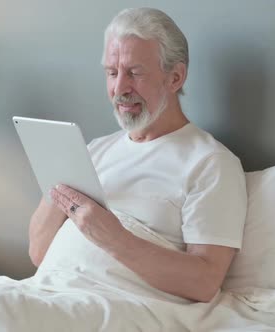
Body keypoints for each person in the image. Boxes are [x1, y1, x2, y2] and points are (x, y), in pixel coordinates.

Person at [28, 7, 247, 303]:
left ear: (175, 77)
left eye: (134, 73)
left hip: (116, 305)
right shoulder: (94, 151)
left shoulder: (210, 163)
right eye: (112, 72)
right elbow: (39, 253)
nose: (119, 88)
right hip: (50, 292)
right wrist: (57, 180)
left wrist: (112, 237)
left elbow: (204, 282)